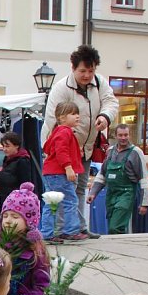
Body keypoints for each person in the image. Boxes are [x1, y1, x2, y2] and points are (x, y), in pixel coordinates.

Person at [42, 44, 119, 239]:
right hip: (64, 150)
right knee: (61, 194)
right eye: (82, 71)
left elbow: (111, 102)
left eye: (91, 70)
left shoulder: (99, 83)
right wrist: (57, 153)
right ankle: (60, 230)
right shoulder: (61, 88)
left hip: (85, 147)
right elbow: (53, 119)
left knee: (78, 190)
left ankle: (77, 227)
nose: (87, 75)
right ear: (73, 68)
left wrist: (105, 117)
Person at [0, 182, 51, 295]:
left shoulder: (35, 252)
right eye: (5, 216)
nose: (8, 221)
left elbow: (42, 288)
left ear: (29, 221)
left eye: (15, 216)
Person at [87, 124, 148, 235]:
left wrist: (144, 202)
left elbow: (144, 178)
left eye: (126, 135)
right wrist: (93, 193)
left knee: (115, 227)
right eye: (120, 135)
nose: (123, 138)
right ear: (115, 136)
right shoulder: (110, 151)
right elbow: (102, 174)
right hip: (111, 193)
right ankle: (116, 249)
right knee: (113, 224)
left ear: (129, 135)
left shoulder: (136, 152)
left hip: (126, 194)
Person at [40, 101, 87, 243]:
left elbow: (48, 149)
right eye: (73, 114)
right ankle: (71, 230)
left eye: (77, 113)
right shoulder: (65, 132)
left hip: (50, 173)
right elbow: (61, 151)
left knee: (51, 203)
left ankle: (47, 232)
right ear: (61, 117)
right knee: (70, 201)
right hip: (59, 173)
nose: (77, 116)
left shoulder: (56, 132)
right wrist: (68, 167)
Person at [0, 131, 42, 206]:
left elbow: (25, 182)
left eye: (7, 146)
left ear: (16, 146)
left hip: (16, 200)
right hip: (4, 197)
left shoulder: (22, 161)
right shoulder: (7, 159)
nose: (4, 149)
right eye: (3, 146)